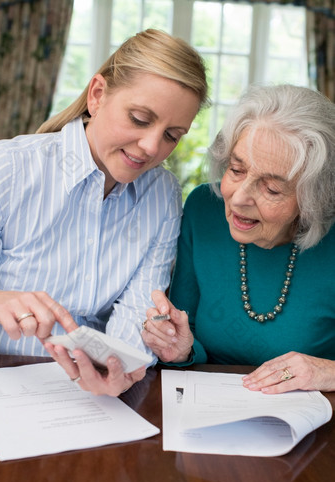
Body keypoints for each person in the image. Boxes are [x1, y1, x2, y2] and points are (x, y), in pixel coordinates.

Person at [0, 29, 208, 396]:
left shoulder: (163, 195)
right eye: (140, 118)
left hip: (95, 399)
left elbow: (138, 311)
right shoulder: (9, 169)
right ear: (97, 95)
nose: (151, 147)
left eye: (172, 135)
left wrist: (120, 368)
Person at [142, 83, 335, 394]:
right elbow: (186, 330)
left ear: (314, 199)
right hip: (209, 409)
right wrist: (181, 350)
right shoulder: (205, 208)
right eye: (236, 170)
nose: (239, 198)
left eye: (271, 189)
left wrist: (329, 371)